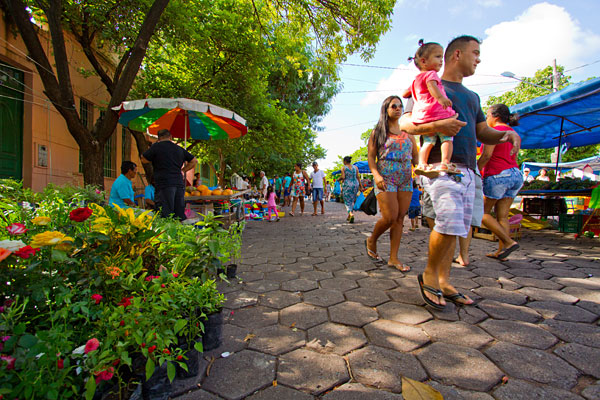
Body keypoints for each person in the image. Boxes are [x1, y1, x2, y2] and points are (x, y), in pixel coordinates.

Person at [400, 35, 521, 309]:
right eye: (475, 53)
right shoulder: (429, 83)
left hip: (468, 170)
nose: (478, 59)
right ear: (457, 54)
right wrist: (434, 127)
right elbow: (406, 122)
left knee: (458, 228)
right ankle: (429, 275)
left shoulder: (472, 96)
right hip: (438, 167)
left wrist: (506, 136)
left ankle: (445, 280)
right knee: (448, 222)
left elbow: (482, 132)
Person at [366, 96, 418, 271]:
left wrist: (419, 171)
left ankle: (393, 258)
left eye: (400, 106)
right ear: (386, 109)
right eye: (393, 106)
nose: (398, 108)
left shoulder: (408, 133)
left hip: (405, 179)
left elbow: (416, 158)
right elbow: (371, 159)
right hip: (385, 178)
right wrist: (376, 175)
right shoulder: (378, 132)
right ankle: (372, 239)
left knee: (400, 218)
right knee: (389, 216)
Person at [406, 40, 459, 177]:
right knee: (447, 138)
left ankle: (422, 163)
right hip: (437, 113)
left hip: (423, 117)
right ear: (424, 61)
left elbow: (406, 93)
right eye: (438, 57)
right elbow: (432, 87)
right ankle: (445, 162)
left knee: (428, 141)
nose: (441, 60)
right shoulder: (432, 74)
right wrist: (441, 98)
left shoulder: (415, 80)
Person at [478, 103, 522, 261]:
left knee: (481, 213)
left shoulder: (493, 132)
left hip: (498, 175)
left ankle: (509, 242)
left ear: (495, 117)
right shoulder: (513, 133)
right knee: (502, 216)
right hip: (515, 175)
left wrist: (476, 170)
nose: (486, 119)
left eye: (487, 115)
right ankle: (502, 252)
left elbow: (486, 156)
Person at [141, 129, 198, 221]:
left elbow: (144, 159)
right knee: (178, 212)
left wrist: (155, 159)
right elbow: (194, 161)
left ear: (159, 138)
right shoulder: (179, 149)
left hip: (164, 183)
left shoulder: (156, 147)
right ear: (170, 137)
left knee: (165, 212)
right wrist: (183, 170)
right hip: (179, 183)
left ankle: (166, 234)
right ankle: (179, 233)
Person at [340, 156, 363, 223]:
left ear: (344, 161)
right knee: (352, 200)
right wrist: (361, 186)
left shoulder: (343, 168)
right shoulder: (355, 167)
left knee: (347, 201)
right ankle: (349, 216)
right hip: (355, 184)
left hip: (347, 185)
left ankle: (351, 214)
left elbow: (343, 177)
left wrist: (339, 179)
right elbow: (358, 177)